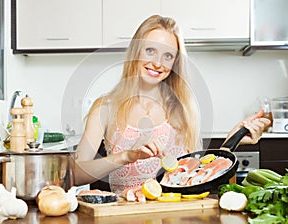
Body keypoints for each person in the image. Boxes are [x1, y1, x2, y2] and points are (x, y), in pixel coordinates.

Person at [74, 15, 270, 194]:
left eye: (168, 56)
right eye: (150, 51)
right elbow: (75, 175)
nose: (158, 63)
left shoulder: (184, 107)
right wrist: (125, 156)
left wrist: (230, 143)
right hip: (126, 214)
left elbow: (195, 171)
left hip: (177, 214)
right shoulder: (105, 107)